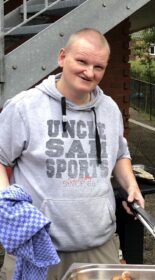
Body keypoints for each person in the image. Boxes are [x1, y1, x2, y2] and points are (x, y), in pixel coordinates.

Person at [0, 28, 144, 279]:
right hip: (36, 246)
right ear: (62, 57)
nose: (90, 72)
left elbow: (120, 153)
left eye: (99, 66)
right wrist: (7, 204)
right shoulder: (24, 107)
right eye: (82, 61)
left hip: (99, 245)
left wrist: (131, 185)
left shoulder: (109, 109)